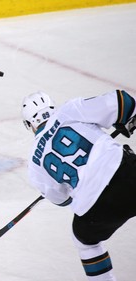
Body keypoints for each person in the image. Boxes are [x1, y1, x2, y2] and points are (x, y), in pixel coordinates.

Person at [21, 90, 136, 281]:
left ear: (28, 124)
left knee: (85, 243)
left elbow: (62, 200)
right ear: (52, 107)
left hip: (96, 208)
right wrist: (130, 119)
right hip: (127, 174)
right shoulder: (69, 110)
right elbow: (122, 101)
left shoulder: (34, 163)